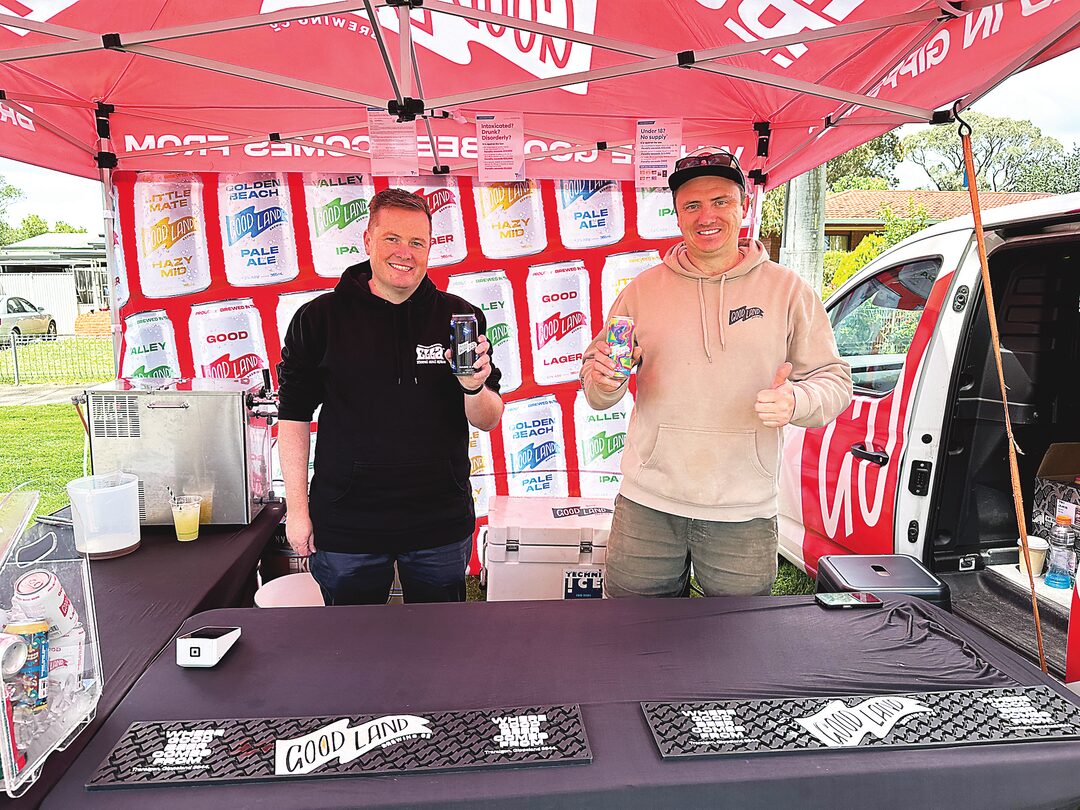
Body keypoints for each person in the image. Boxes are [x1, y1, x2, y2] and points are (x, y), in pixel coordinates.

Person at [581, 149, 852, 598]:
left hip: (743, 512)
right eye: (692, 205)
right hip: (648, 503)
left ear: (743, 206)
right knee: (632, 630)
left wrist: (797, 401)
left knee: (739, 636)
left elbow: (834, 380)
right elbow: (597, 386)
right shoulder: (641, 292)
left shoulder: (788, 290)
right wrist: (605, 381)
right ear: (677, 216)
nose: (706, 216)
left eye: (720, 201)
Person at [276, 188, 504, 605]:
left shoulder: (460, 316)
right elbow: (292, 415)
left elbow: (487, 418)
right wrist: (298, 509)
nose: (405, 253)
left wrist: (473, 385)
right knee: (351, 639)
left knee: (440, 637)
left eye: (417, 242)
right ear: (368, 241)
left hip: (439, 521)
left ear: (431, 248)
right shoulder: (319, 318)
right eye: (392, 239)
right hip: (346, 523)